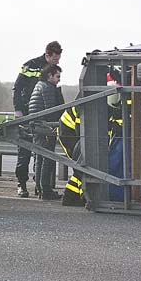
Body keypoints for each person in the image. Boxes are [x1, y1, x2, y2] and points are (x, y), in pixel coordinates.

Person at [58, 69, 124, 206]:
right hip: (69, 133)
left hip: (81, 132)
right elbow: (82, 128)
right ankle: (86, 196)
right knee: (85, 164)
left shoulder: (112, 94)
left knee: (85, 166)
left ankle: (71, 198)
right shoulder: (89, 100)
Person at [12, 41, 62, 197]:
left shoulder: (51, 72)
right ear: (47, 55)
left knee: (39, 154)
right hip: (28, 114)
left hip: (37, 113)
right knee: (25, 151)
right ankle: (22, 184)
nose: (57, 62)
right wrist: (18, 110)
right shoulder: (30, 66)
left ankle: (39, 185)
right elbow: (18, 87)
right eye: (55, 59)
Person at [28, 64, 63, 199]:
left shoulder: (39, 85)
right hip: (45, 127)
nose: (59, 79)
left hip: (37, 126)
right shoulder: (48, 88)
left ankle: (39, 188)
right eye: (57, 76)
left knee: (39, 158)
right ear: (50, 76)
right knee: (47, 159)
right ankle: (45, 190)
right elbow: (51, 110)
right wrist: (55, 126)